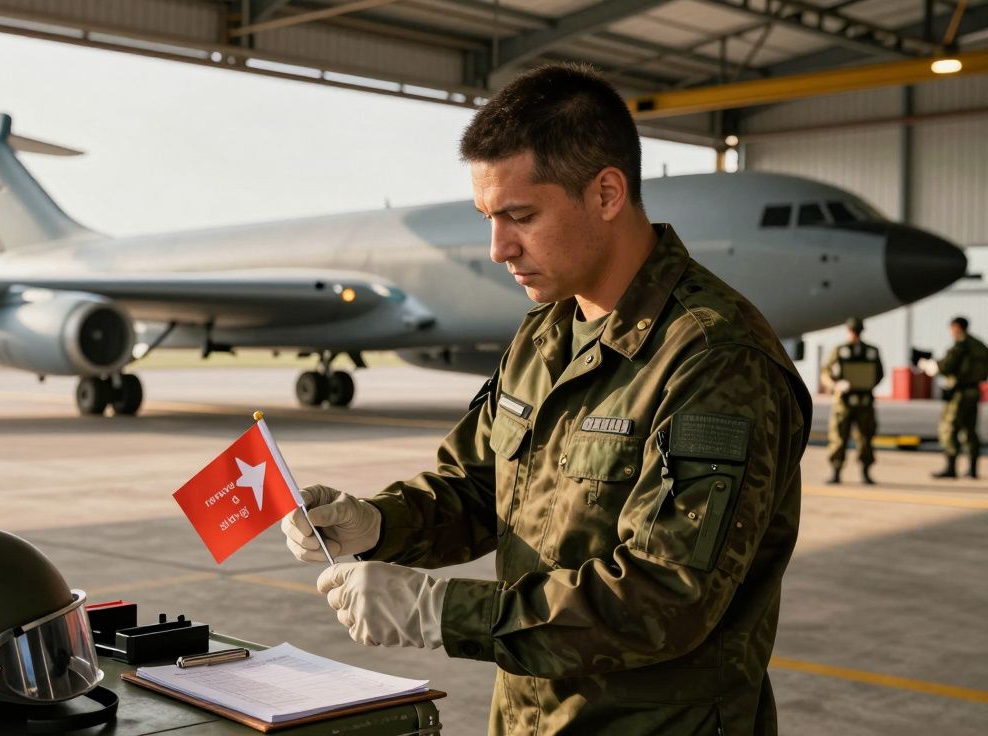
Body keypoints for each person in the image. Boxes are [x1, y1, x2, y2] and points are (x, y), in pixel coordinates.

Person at [282, 63, 811, 735]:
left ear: (607, 194)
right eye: (488, 218)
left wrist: (437, 612)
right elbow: (479, 487)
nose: (498, 248)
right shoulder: (545, 334)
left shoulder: (712, 357)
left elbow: (666, 596)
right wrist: (379, 523)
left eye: (521, 216)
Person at [920, 316, 987, 479]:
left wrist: (931, 366)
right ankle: (973, 469)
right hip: (973, 392)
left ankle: (951, 468)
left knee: (948, 429)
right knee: (970, 430)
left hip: (958, 394)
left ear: (957, 327)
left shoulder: (961, 345)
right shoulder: (979, 345)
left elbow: (947, 366)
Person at [820, 317, 883, 484]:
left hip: (864, 402)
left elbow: (879, 374)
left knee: (865, 439)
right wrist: (835, 385)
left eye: (857, 331)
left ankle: (866, 471)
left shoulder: (871, 351)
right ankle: (836, 471)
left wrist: (865, 384)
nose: (854, 334)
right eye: (852, 331)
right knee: (838, 438)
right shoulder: (839, 350)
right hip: (843, 403)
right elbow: (825, 373)